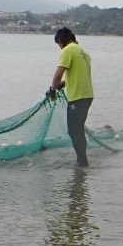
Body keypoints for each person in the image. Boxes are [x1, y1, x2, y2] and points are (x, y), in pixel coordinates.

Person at [49, 27, 93, 167]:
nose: (59, 47)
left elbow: (58, 74)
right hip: (87, 96)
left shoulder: (68, 50)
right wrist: (63, 84)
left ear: (61, 40)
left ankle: (82, 162)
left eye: (59, 44)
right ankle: (82, 163)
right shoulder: (84, 52)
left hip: (78, 97)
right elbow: (78, 75)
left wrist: (52, 90)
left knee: (74, 130)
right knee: (78, 129)